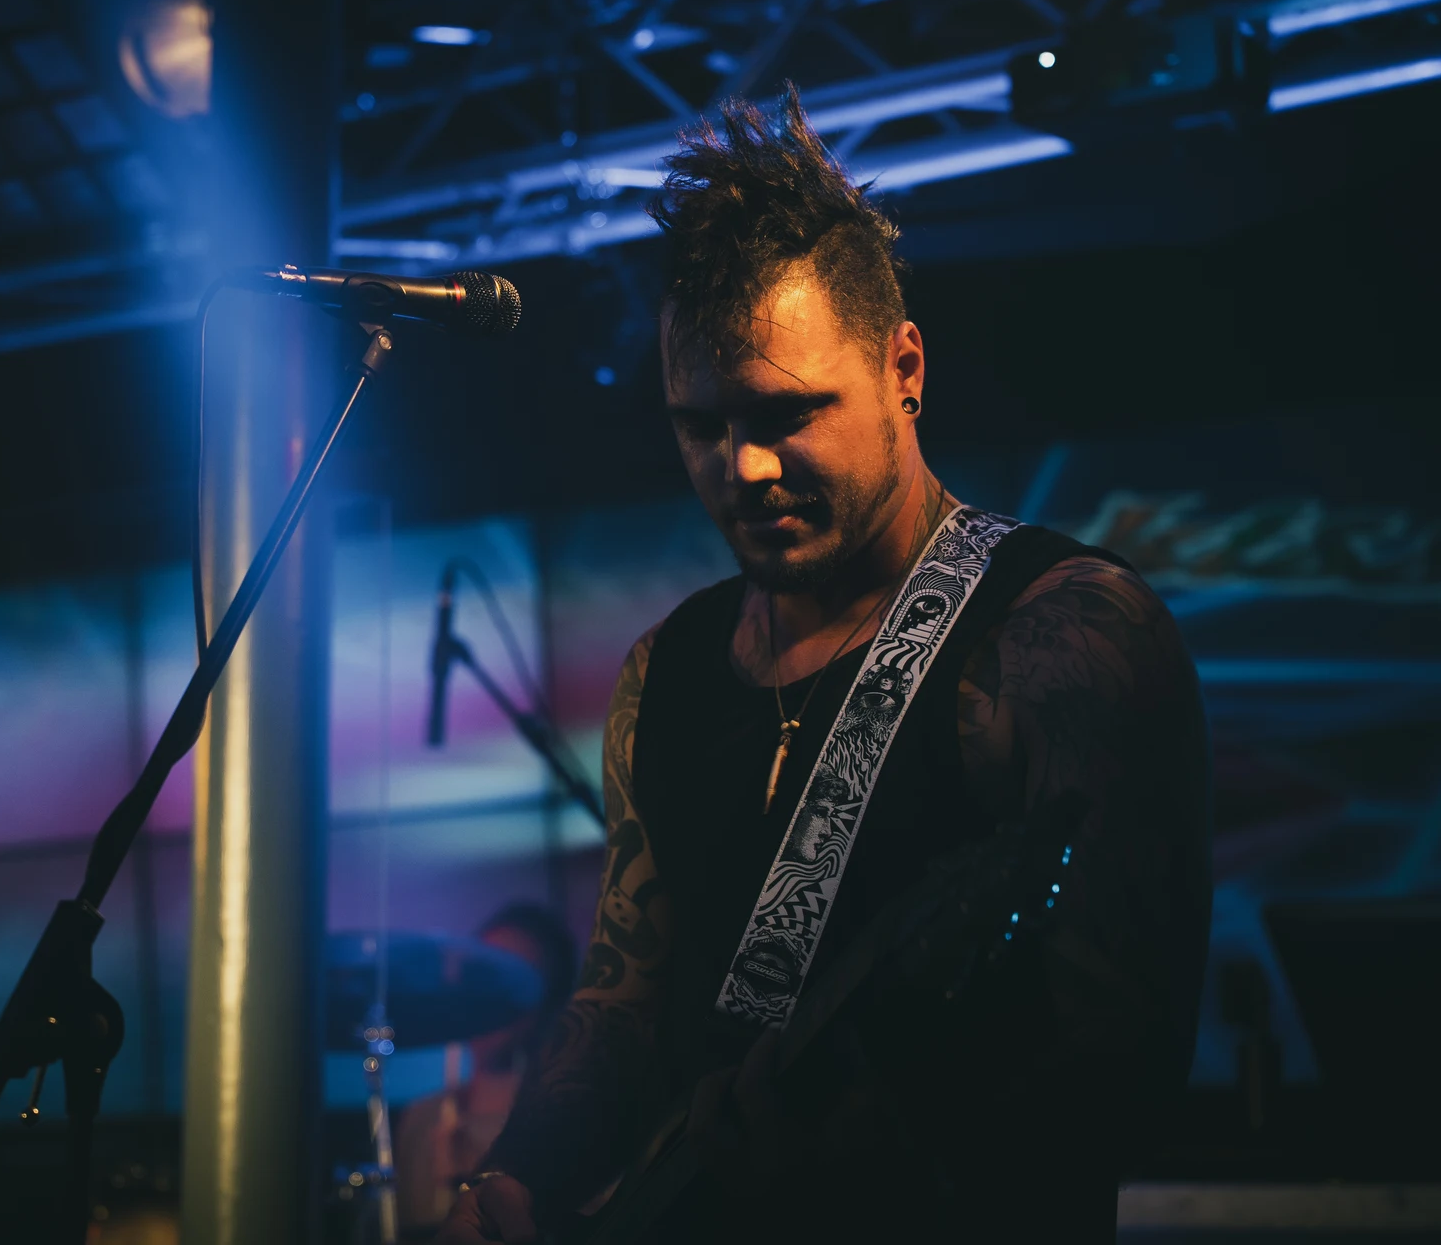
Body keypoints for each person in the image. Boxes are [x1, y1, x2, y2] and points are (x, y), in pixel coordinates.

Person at [437, 89, 1212, 1243]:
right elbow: (624, 1002)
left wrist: (871, 1163)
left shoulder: (1062, 635)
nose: (742, 466)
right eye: (699, 424)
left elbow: (1127, 1065)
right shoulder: (668, 671)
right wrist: (512, 1177)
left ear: (904, 366)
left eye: (787, 412)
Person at [395, 902, 577, 1235]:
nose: (492, 997)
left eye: (515, 978)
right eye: (482, 976)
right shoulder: (421, 1117)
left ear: (550, 998)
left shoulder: (562, 1119)